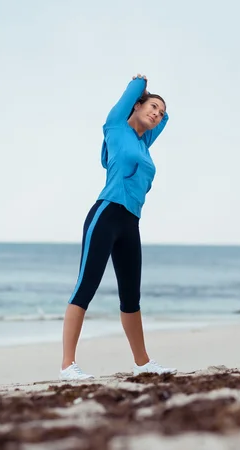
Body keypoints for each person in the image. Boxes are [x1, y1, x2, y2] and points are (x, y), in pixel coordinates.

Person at [59, 74, 176, 380]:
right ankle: (67, 365)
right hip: (106, 214)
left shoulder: (144, 142)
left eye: (160, 111)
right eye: (152, 106)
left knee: (131, 297)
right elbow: (134, 90)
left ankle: (142, 362)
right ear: (136, 106)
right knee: (86, 286)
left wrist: (162, 110)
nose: (157, 114)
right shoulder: (116, 127)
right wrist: (140, 82)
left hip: (130, 223)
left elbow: (167, 120)